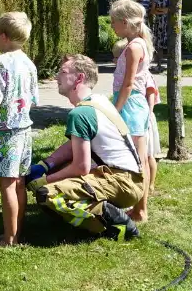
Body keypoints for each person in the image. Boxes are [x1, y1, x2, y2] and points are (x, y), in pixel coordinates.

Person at [24, 54, 143, 241]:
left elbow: (81, 167)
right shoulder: (98, 100)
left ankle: (112, 224)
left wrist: (45, 180)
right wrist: (45, 164)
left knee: (47, 194)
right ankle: (94, 211)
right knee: (57, 178)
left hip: (122, 182)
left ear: (79, 78)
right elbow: (75, 145)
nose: (56, 77)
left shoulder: (80, 113)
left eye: (63, 72)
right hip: (130, 179)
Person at [0, 12, 40, 247]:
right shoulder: (29, 63)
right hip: (25, 130)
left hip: (6, 132)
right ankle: (16, 233)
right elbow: (33, 99)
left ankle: (9, 239)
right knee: (19, 183)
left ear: (3, 37)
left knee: (6, 184)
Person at [107, 0, 153, 222]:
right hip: (131, 103)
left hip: (131, 105)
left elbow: (128, 84)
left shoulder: (134, 47)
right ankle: (136, 207)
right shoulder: (134, 44)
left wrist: (115, 110)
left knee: (139, 158)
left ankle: (141, 210)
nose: (111, 26)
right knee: (136, 157)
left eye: (113, 22)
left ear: (124, 22)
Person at [150, 0, 171, 72]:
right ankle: (159, 65)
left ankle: (170, 65)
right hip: (159, 24)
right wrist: (163, 10)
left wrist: (159, 9)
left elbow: (170, 9)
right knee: (158, 45)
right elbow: (152, 11)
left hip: (168, 24)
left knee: (169, 44)